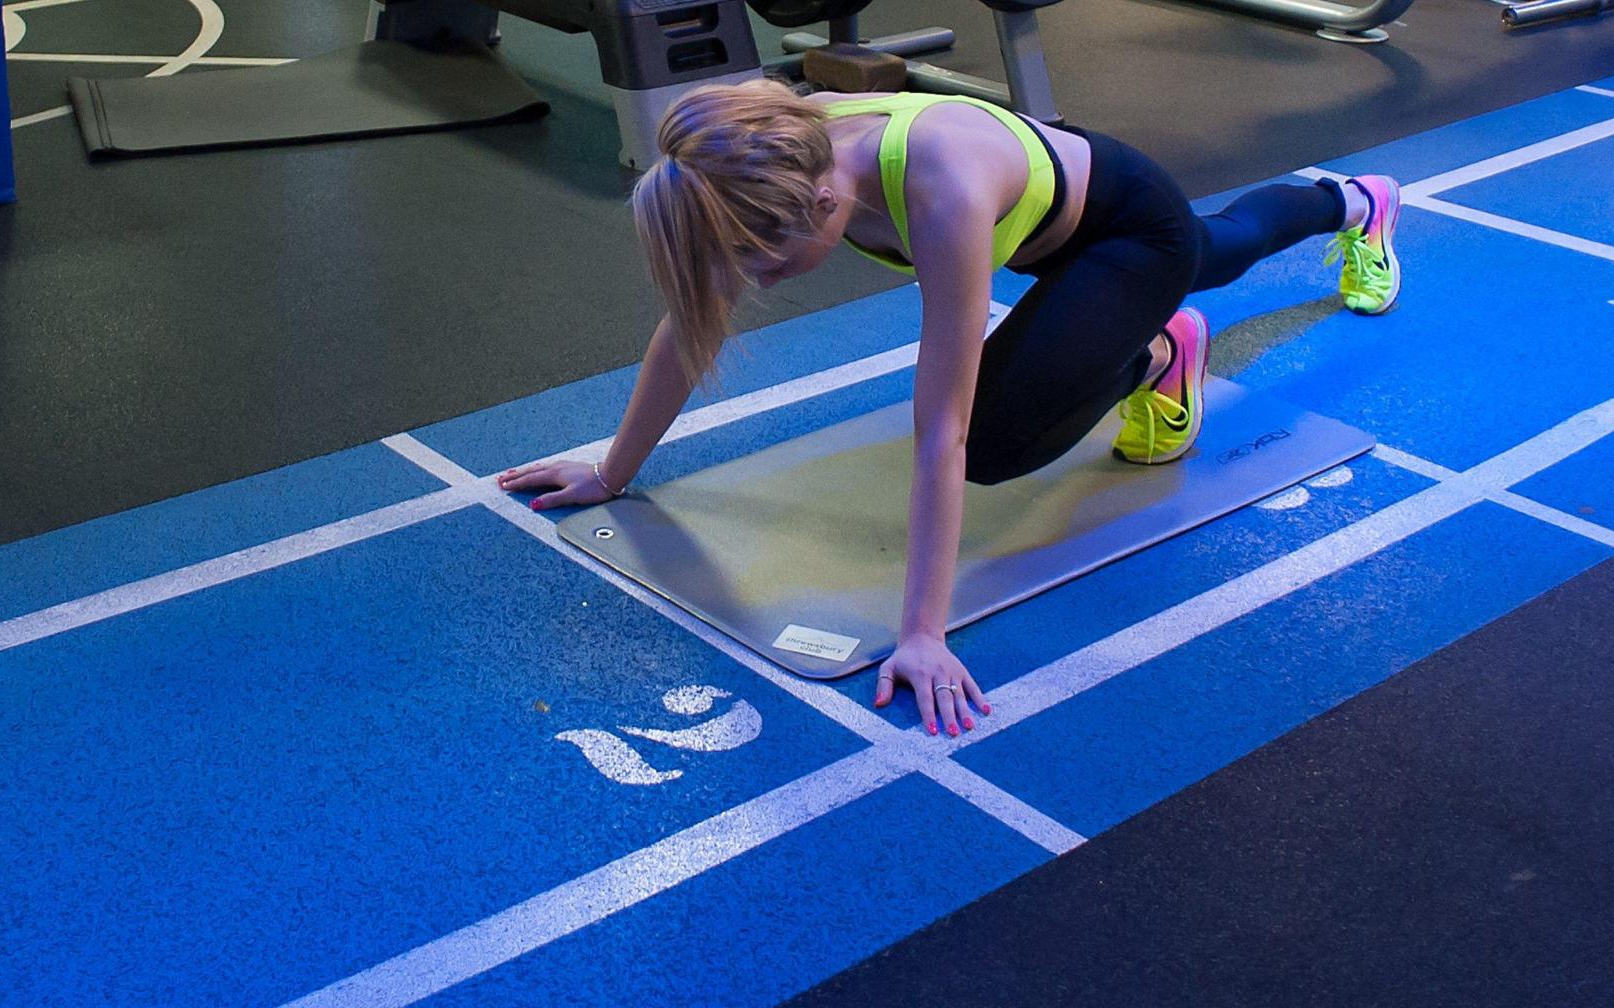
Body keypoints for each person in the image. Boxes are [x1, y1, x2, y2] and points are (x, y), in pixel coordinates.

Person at [500, 81, 1402, 736]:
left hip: (1127, 228)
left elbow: (942, 426)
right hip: (1048, 206)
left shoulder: (941, 192)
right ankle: (1176, 329)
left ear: (824, 203)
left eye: (768, 266)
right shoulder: (757, 161)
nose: (757, 283)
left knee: (1013, 427)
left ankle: (1216, 308)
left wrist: (922, 633)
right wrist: (612, 470)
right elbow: (688, 324)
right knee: (1216, 251)